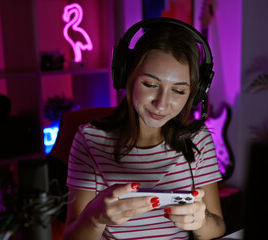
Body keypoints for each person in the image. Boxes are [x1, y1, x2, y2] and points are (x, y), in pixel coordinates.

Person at [63, 17, 226, 240]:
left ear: (195, 94)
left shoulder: (198, 139)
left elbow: (217, 226)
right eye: (150, 85)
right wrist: (95, 217)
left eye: (178, 91)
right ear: (126, 75)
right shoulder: (90, 139)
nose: (161, 104)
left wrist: (202, 220)